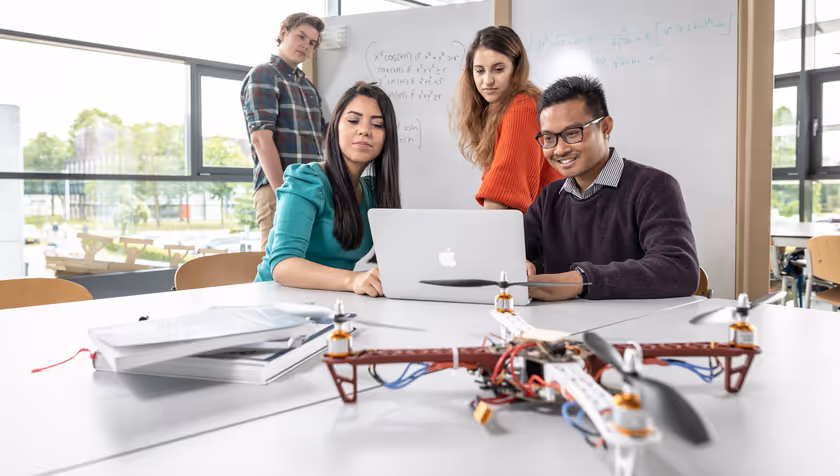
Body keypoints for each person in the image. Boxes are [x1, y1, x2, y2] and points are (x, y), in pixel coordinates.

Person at [525, 75, 699, 301]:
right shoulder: (550, 197)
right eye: (549, 138)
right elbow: (508, 253)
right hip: (562, 331)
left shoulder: (654, 187)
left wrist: (581, 280)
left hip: (636, 330)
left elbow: (678, 269)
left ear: (606, 127)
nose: (559, 149)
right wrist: (517, 263)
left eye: (572, 133)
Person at [254, 83, 400, 297]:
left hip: (327, 306)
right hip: (275, 305)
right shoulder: (306, 181)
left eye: (377, 125)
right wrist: (353, 280)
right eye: (353, 120)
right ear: (335, 127)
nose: (364, 130)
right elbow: (283, 266)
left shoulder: (372, 192)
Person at [451, 26, 561, 214]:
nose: (487, 81)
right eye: (479, 71)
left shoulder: (522, 107)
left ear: (516, 69)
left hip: (549, 232)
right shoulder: (502, 109)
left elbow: (500, 197)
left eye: (498, 69)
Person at [241, 12, 326, 251]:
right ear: (282, 33)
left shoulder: (307, 87)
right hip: (279, 188)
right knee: (277, 269)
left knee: (310, 264)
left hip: (311, 188)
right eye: (301, 36)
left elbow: (323, 136)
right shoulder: (264, 74)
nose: (306, 45)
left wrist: (354, 101)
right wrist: (283, 193)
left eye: (312, 43)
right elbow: (260, 139)